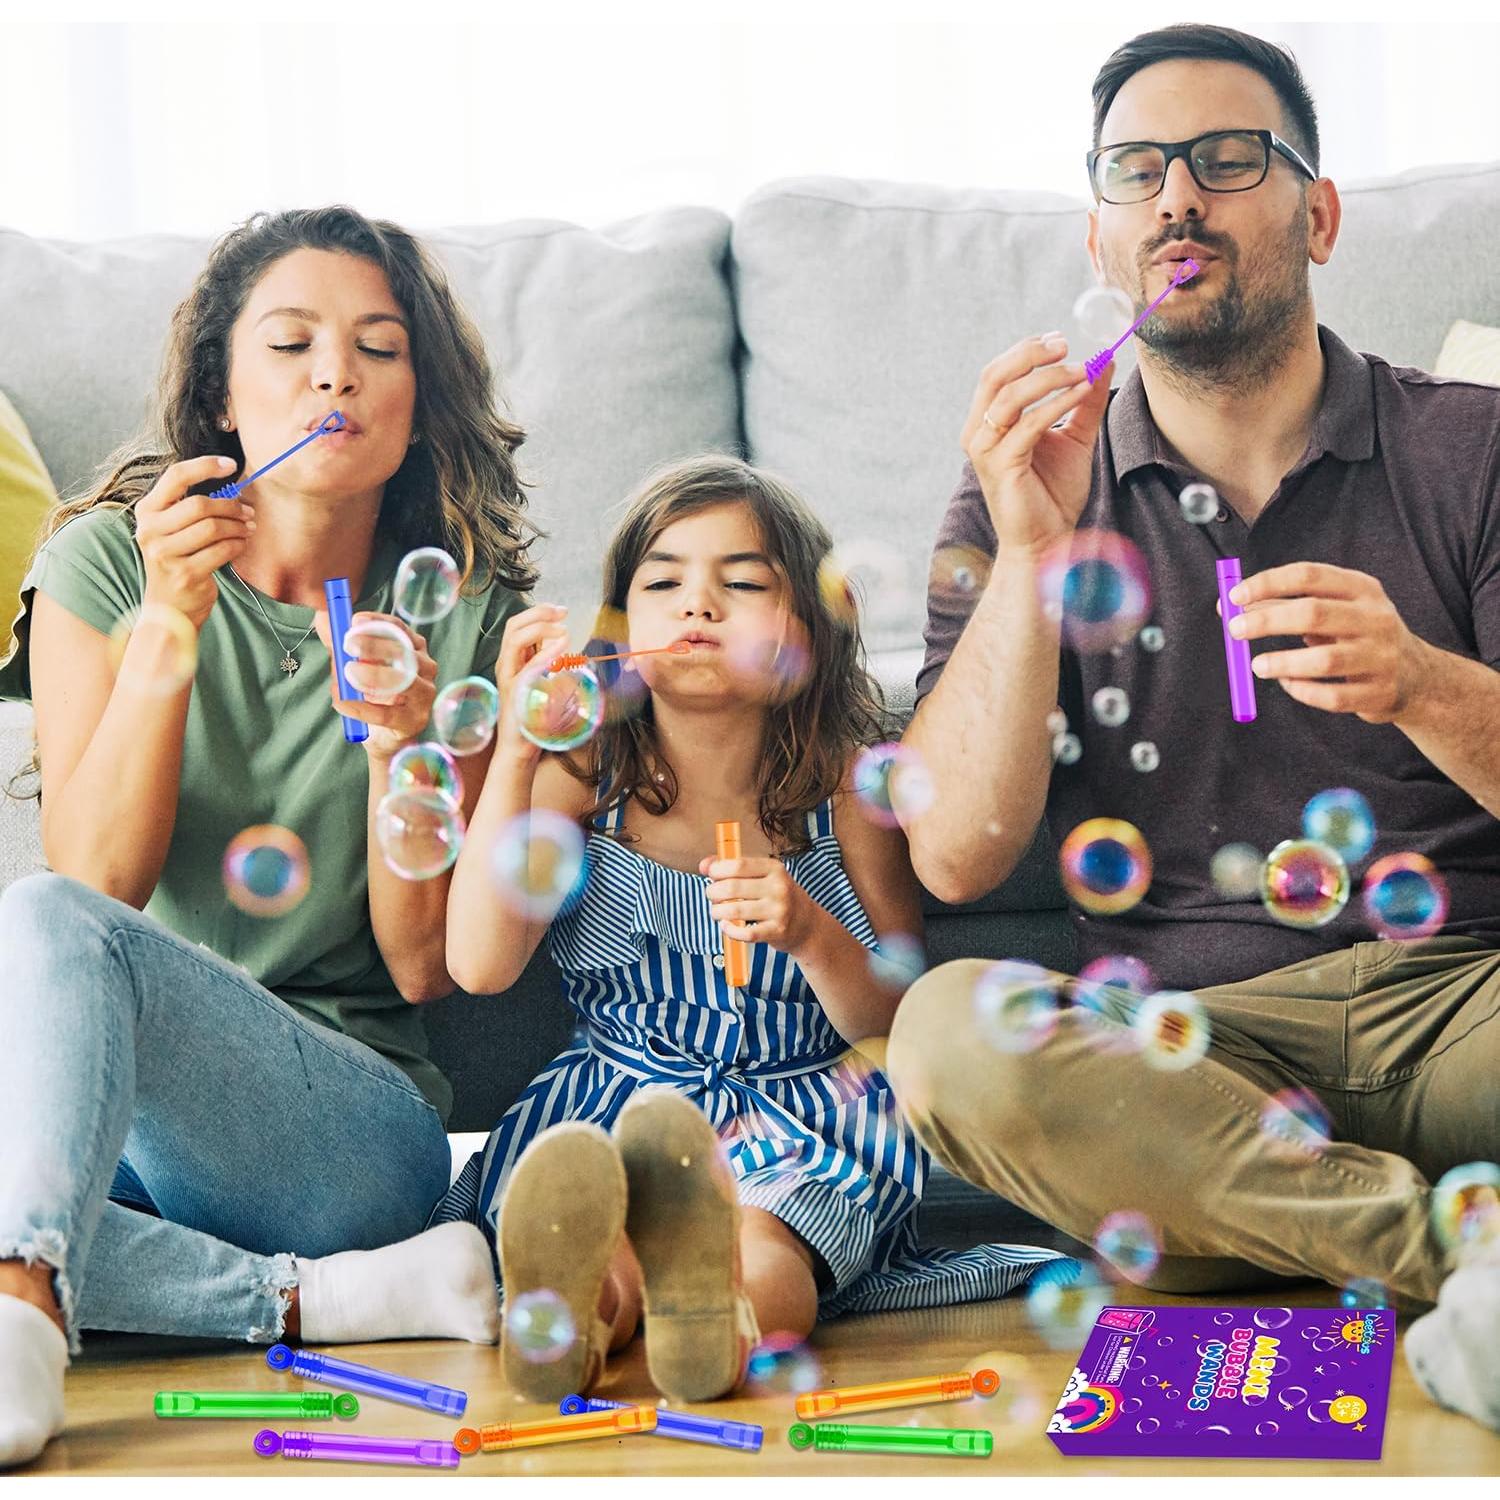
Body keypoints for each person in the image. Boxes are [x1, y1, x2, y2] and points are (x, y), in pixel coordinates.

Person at [887, 22, 1500, 1435]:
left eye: (1228, 161)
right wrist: (1035, 551)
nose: (1178, 200)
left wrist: (1416, 679)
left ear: (1320, 213)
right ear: (1100, 238)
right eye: (1138, 171)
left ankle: (1296, 1231)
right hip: (1192, 1053)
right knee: (948, 1033)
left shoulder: (1472, 448)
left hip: (1466, 997)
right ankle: (1458, 1255)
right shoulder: (1016, 495)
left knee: (1177, 1220)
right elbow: (955, 858)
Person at [0, 206, 538, 1467]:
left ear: (417, 403)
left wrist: (409, 743)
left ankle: (26, 1295)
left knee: (31, 921)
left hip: (349, 1136)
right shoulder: (107, 570)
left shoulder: (464, 621)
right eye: (291, 343)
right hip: (124, 1125)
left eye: (378, 347)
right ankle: (324, 1304)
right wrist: (170, 630)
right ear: (223, 398)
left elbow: (421, 971)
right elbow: (103, 881)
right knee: (51, 923)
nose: (335, 373)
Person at [434, 454, 1070, 1405]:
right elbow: (480, 966)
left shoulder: (849, 794)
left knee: (769, 1236)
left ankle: (718, 1319)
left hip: (805, 1107)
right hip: (617, 1094)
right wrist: (520, 753)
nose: (699, 604)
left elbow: (892, 1018)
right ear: (619, 628)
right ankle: (588, 1315)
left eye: (741, 583)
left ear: (804, 632)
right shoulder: (583, 781)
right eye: (663, 582)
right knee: (604, 1217)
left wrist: (814, 934)